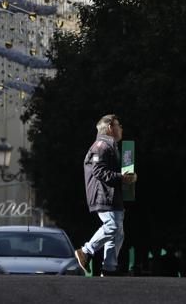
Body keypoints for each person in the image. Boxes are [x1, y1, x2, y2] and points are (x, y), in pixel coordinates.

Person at [74, 114, 137, 276]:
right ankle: (86, 251)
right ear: (110, 127)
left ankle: (109, 269)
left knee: (117, 233)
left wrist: (127, 177)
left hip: (111, 195)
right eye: (118, 125)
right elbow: (98, 170)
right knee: (113, 227)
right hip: (104, 195)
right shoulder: (101, 145)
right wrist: (121, 177)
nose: (121, 128)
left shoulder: (110, 146)